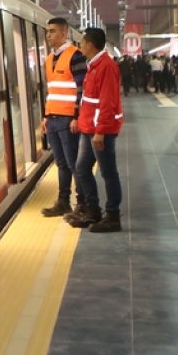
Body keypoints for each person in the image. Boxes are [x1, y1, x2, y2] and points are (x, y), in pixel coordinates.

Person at [65, 27, 125, 232]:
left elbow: (107, 102)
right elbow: (89, 101)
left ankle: (113, 216)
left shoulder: (106, 66)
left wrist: (101, 130)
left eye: (82, 43)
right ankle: (93, 210)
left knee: (108, 173)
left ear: (90, 45)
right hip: (88, 128)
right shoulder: (94, 65)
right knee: (81, 168)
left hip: (100, 131)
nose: (80, 46)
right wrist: (80, 121)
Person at [39, 17, 88, 218]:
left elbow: (81, 89)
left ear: (64, 33)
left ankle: (82, 203)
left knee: (72, 163)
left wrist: (77, 116)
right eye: (47, 31)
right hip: (53, 118)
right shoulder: (49, 59)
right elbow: (51, 91)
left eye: (52, 31)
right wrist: (45, 116)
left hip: (68, 119)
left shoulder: (75, 56)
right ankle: (63, 202)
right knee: (60, 163)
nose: (48, 35)